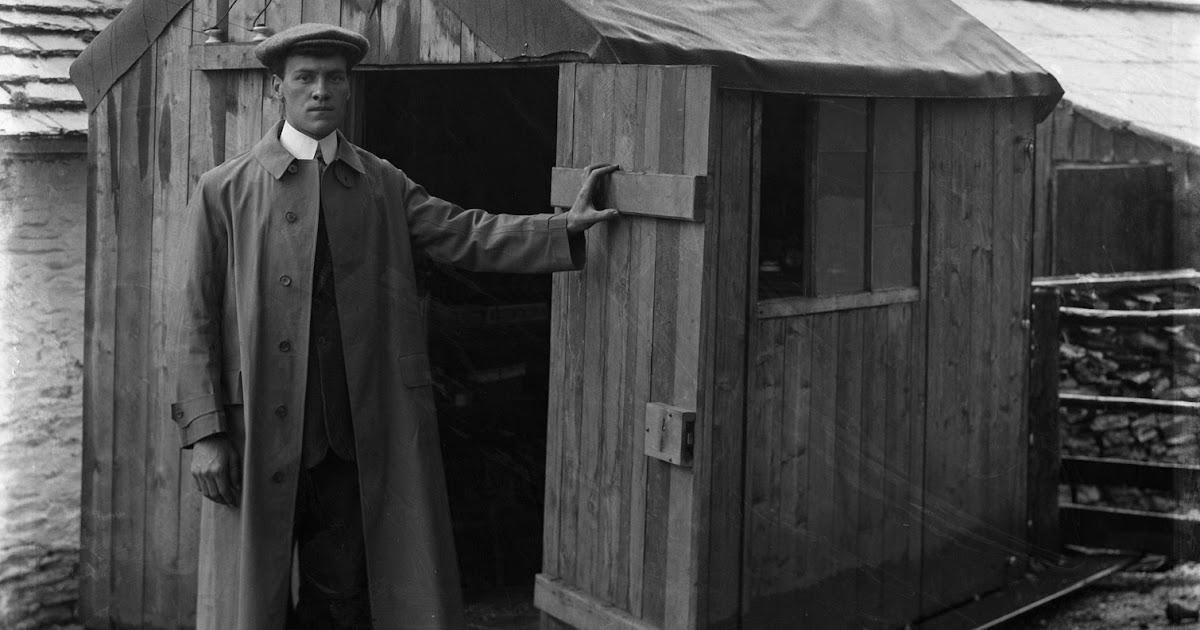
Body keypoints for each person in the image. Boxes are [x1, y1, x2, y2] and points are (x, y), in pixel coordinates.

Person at [168, 22, 619, 630]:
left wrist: (561, 227)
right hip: (256, 435)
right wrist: (205, 433)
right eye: (305, 78)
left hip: (353, 436)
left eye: (334, 78)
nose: (320, 90)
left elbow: (465, 232)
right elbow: (194, 317)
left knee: (342, 597)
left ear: (348, 88)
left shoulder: (381, 183)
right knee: (255, 600)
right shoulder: (223, 190)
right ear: (277, 87)